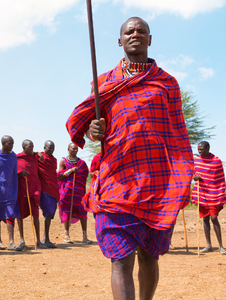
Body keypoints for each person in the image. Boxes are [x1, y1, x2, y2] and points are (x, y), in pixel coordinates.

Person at [66, 17, 193, 299]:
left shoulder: (167, 84)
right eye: (129, 31)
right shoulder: (103, 84)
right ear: (120, 41)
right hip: (117, 181)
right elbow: (91, 126)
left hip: (157, 183)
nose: (135, 34)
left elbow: (177, 132)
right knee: (120, 259)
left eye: (141, 31)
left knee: (149, 256)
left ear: (150, 39)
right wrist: (93, 130)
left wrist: (182, 172)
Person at [192, 141, 226, 255]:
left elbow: (220, 178)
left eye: (201, 149)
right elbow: (193, 175)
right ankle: (209, 245)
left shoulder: (216, 161)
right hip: (202, 193)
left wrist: (221, 192)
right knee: (205, 219)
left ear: (207, 148)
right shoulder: (196, 161)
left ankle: (221, 246)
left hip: (214, 193)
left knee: (213, 218)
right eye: (198, 149)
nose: (199, 151)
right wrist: (195, 177)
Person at [57, 143, 91, 244]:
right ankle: (66, 235)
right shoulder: (64, 161)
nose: (75, 150)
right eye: (73, 148)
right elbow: (59, 177)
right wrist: (70, 171)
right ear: (68, 149)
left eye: (76, 148)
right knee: (66, 212)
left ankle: (85, 236)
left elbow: (85, 175)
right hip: (67, 192)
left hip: (79, 192)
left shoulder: (82, 163)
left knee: (82, 212)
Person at [16, 139, 46, 249]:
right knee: (20, 215)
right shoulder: (17, 158)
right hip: (22, 190)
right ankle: (21, 240)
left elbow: (37, 154)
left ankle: (38, 240)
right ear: (24, 147)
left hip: (34, 189)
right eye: (30, 146)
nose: (32, 148)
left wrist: (37, 153)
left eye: (33, 146)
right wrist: (20, 174)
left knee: (36, 215)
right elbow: (12, 172)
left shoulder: (35, 157)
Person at [37, 140, 59, 248]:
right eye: (49, 147)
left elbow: (53, 174)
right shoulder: (40, 156)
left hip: (54, 189)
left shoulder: (54, 160)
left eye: (52, 148)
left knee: (50, 215)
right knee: (48, 213)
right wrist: (36, 154)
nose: (51, 150)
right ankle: (45, 239)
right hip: (45, 189)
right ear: (44, 147)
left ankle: (46, 238)